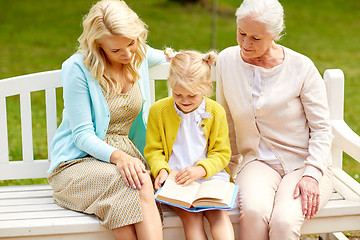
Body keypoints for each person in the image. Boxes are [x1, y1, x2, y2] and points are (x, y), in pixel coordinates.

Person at [47, 1, 167, 239]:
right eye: (116, 50)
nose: (127, 54)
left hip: (124, 162)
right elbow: (82, 135)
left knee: (132, 186)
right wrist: (120, 158)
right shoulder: (77, 69)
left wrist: (194, 60)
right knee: (135, 181)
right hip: (77, 164)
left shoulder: (137, 54)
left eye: (131, 43)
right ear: (97, 45)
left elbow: (167, 57)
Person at [216, 0, 334, 239]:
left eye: (256, 38)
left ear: (275, 35)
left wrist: (312, 174)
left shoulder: (301, 67)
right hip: (256, 162)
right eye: (241, 33)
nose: (246, 43)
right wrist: (224, 172)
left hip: (305, 163)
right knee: (253, 211)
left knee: (283, 221)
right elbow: (226, 121)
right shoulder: (227, 61)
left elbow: (322, 129)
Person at [144, 48, 234, 240]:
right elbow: (153, 151)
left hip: (209, 176)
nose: (184, 101)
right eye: (178, 95)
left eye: (192, 96)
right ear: (170, 85)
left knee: (218, 215)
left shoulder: (216, 112)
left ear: (207, 86)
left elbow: (221, 153)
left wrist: (201, 170)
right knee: (191, 218)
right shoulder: (158, 111)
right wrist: (161, 170)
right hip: (177, 179)